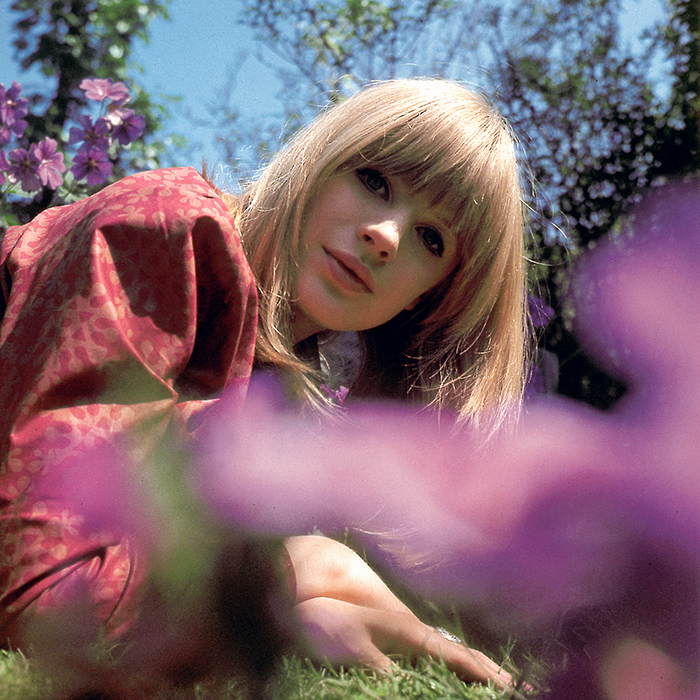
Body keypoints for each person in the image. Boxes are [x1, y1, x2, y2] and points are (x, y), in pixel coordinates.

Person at [0, 79, 528, 691]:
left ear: (428, 297)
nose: (386, 235)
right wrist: (293, 580)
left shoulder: (274, 390)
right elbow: (44, 595)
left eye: (431, 239)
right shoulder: (169, 226)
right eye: (374, 180)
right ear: (322, 160)